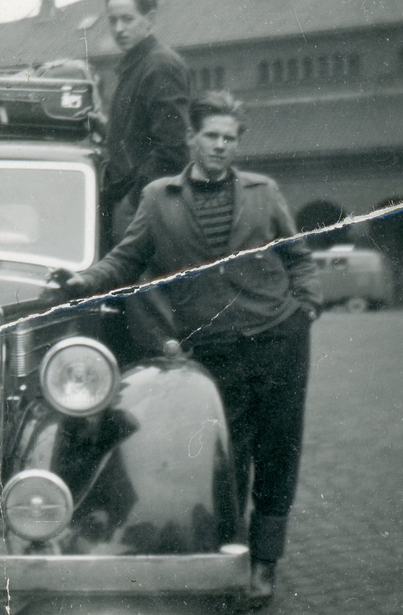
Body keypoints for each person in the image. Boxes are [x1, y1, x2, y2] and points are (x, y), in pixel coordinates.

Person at [58, 92, 323, 607]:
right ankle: (233, 557)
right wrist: (81, 281)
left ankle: (265, 565)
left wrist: (307, 306)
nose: (221, 147)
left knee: (278, 453)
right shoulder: (159, 198)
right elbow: (124, 260)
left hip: (277, 341)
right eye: (211, 136)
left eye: (229, 138)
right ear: (191, 138)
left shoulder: (264, 193)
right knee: (225, 457)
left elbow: (298, 256)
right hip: (213, 350)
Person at [102, 0, 191, 245]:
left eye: (127, 19)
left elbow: (173, 148)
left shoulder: (159, 66)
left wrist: (133, 201)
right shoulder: (137, 65)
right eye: (113, 20)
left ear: (150, 19)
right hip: (131, 201)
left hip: (140, 207)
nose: (119, 29)